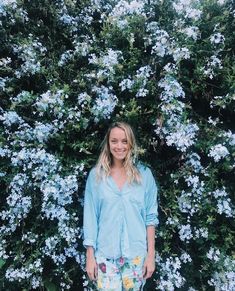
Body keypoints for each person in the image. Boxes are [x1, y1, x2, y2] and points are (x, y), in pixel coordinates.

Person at [83, 121, 159, 290]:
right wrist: (90, 256)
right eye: (114, 141)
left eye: (124, 141)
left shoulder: (145, 175)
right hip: (105, 257)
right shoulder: (96, 177)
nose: (119, 146)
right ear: (108, 144)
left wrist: (151, 256)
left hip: (136, 256)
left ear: (131, 143)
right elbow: (90, 217)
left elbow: (150, 218)